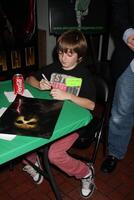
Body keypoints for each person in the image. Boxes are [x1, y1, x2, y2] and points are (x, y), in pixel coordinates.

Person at [23, 30, 96, 198]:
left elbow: (91, 105)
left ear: (79, 56)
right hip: (52, 115)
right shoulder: (54, 68)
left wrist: (68, 95)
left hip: (75, 123)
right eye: (61, 52)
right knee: (24, 132)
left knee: (54, 154)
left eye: (69, 54)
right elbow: (29, 79)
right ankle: (33, 162)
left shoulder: (84, 74)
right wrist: (39, 85)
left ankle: (85, 172)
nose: (63, 57)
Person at [101, 0, 134, 173]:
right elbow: (119, 7)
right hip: (131, 60)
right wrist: (128, 33)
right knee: (121, 113)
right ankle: (114, 153)